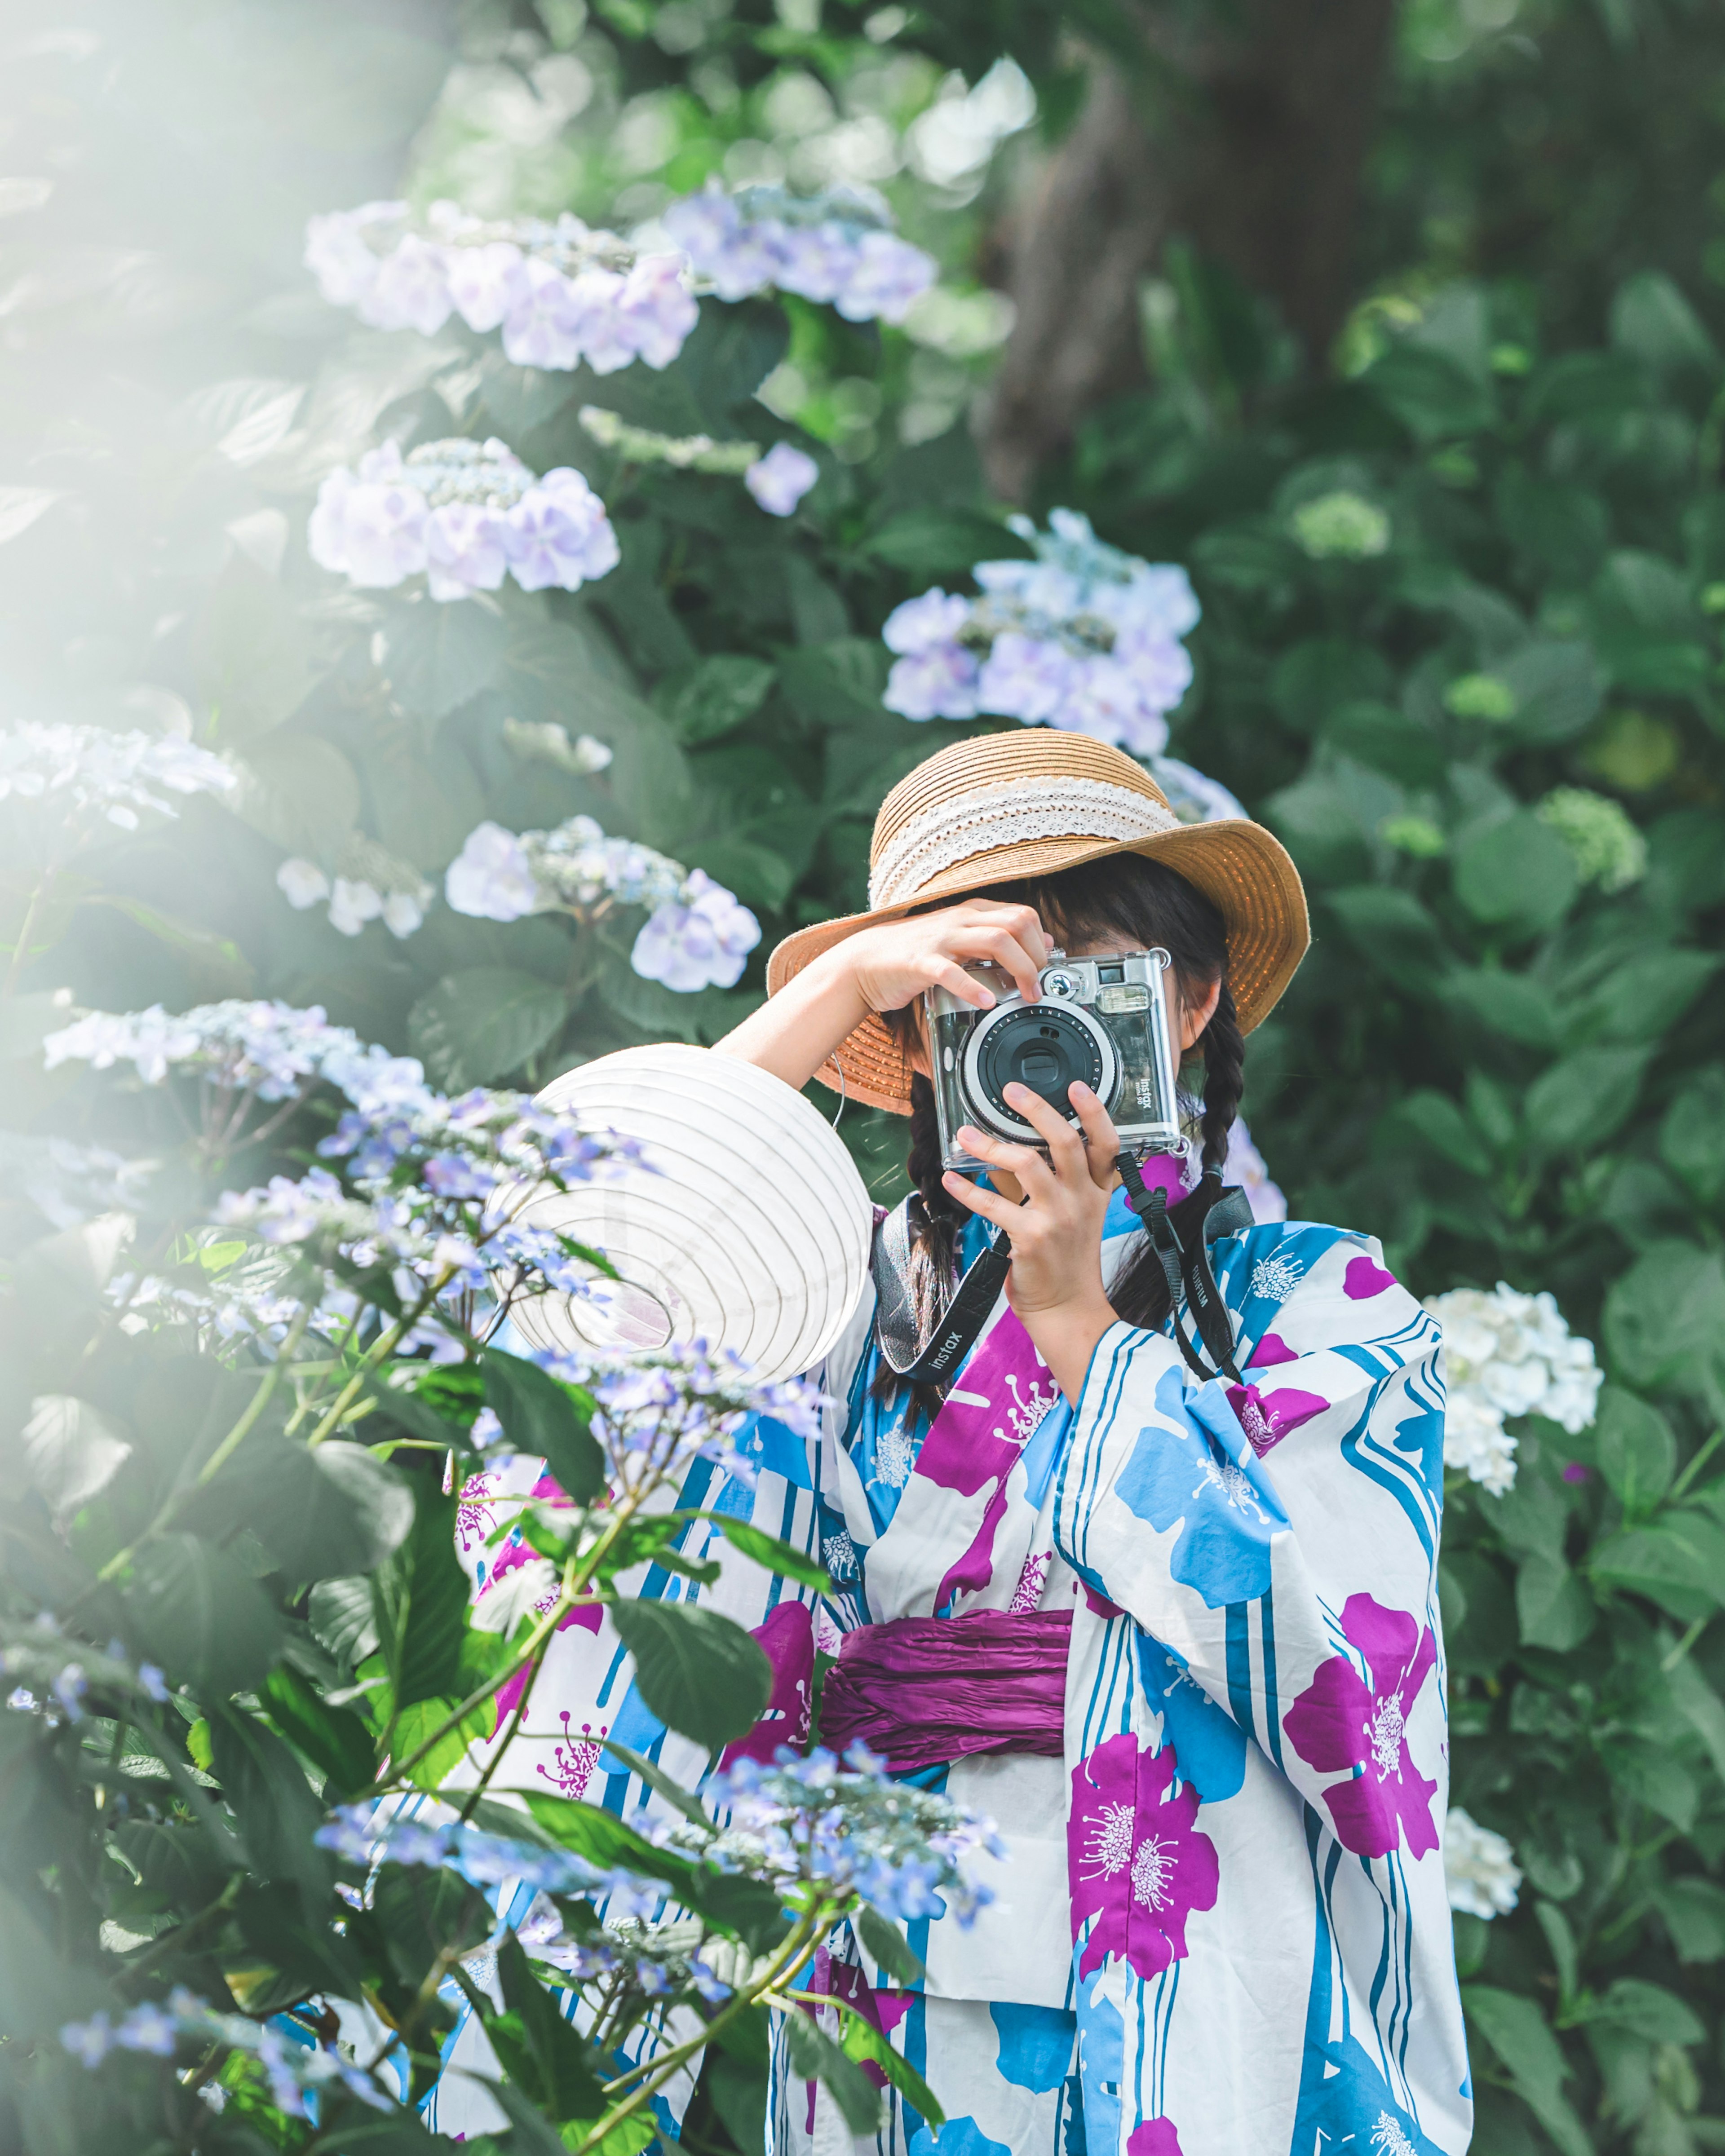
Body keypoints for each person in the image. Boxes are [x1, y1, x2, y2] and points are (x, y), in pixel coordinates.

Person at [447, 729, 1469, 2156]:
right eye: (975, 990)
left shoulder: (1318, 1306)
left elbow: (1340, 1666)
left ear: (1184, 1004)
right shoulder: (821, 1300)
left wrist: (1074, 1317)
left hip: (1183, 1958)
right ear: (919, 1041)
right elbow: (573, 1312)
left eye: (1084, 977)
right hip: (876, 1961)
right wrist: (825, 1002)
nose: (1033, 1025)